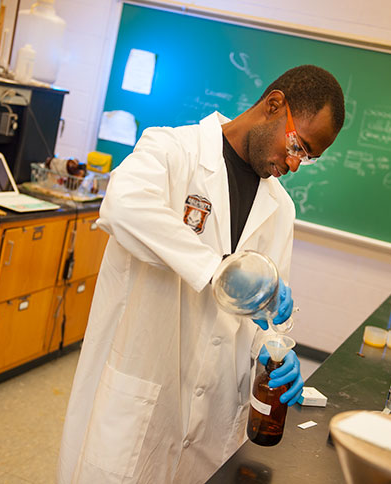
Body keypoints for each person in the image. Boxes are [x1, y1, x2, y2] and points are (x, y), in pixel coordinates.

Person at [58, 65, 345, 484]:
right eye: (299, 146)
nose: (296, 164)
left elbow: (266, 308)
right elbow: (121, 206)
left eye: (309, 157)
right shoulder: (174, 149)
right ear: (274, 104)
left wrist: (273, 347)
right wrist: (219, 271)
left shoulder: (280, 208)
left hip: (213, 413)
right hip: (144, 392)